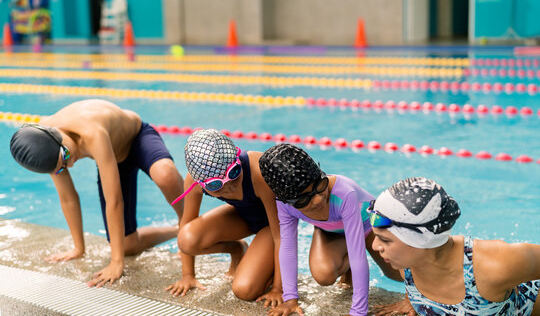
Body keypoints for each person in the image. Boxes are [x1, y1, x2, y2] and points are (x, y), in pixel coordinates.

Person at [9, 99, 184, 287]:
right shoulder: (46, 151)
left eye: (66, 157)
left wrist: (117, 262)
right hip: (114, 160)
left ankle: (186, 220)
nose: (71, 165)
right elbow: (68, 198)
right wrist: (78, 248)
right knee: (127, 246)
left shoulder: (92, 133)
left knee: (165, 174)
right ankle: (176, 230)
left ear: (58, 137)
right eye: (62, 168)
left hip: (137, 137)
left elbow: (114, 201)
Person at [259, 143, 402, 316]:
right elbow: (288, 248)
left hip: (372, 227)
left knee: (399, 275)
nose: (318, 200)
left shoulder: (344, 193)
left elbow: (358, 256)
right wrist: (290, 299)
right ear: (285, 201)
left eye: (320, 186)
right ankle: (347, 269)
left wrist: (358, 311)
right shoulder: (285, 206)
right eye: (304, 200)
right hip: (333, 231)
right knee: (323, 274)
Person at [369, 177, 540, 316]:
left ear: (421, 241)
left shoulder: (495, 266)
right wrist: (412, 300)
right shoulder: (406, 262)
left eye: (385, 240)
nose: (376, 246)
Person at [165, 129, 283, 308]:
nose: (229, 188)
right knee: (186, 239)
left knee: (245, 290)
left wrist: (280, 289)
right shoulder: (193, 181)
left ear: (236, 161)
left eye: (234, 174)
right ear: (201, 183)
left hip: (273, 227)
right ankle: (237, 248)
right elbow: (186, 223)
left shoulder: (258, 170)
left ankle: (270, 266)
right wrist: (188, 275)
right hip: (243, 217)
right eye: (216, 185)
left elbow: (281, 234)